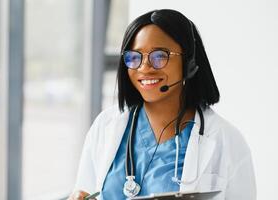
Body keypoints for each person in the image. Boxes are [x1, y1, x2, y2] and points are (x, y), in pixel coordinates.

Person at [68, 9, 256, 200]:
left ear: (189, 62)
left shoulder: (226, 141)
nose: (144, 68)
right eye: (134, 57)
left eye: (159, 56)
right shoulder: (105, 126)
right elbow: (85, 189)